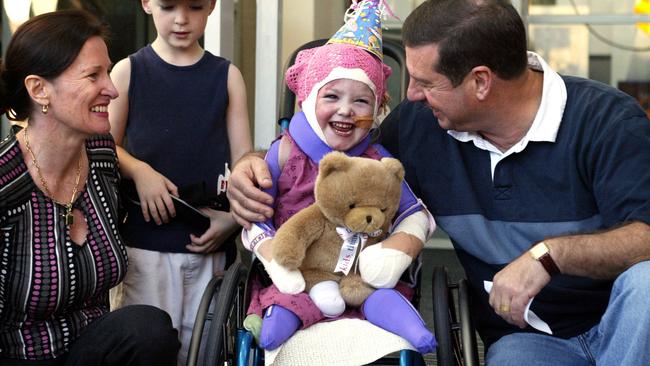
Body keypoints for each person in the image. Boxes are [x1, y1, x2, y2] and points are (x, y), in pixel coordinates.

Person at [227, 0, 650, 365]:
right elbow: (343, 158)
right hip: (528, 341)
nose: (409, 94)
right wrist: (253, 163)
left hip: (624, 327)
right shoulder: (420, 124)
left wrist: (548, 256)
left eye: (426, 82)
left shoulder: (607, 122)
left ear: (481, 81)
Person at [237, 0, 436, 355]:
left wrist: (393, 251)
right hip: (299, 277)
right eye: (331, 96)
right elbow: (257, 219)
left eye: (361, 101)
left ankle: (411, 331)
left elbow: (413, 214)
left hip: (366, 279)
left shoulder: (378, 162)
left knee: (384, 299)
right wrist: (272, 256)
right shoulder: (283, 154)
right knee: (289, 299)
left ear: (376, 110)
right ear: (308, 99)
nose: (346, 110)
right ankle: (282, 321)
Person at [0, 9, 180, 365]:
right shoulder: (7, 185)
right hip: (22, 357)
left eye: (108, 72)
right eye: (93, 75)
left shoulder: (100, 158)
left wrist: (140, 169)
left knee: (148, 328)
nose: (111, 90)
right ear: (39, 89)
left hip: (90, 352)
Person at [107, 0, 252, 364]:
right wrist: (140, 170)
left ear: (212, 6)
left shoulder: (227, 75)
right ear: (146, 4)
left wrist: (233, 219)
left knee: (203, 351)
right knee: (149, 348)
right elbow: (103, 146)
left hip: (209, 244)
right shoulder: (128, 71)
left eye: (195, 6)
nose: (182, 19)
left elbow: (244, 161)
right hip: (146, 246)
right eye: (168, 6)